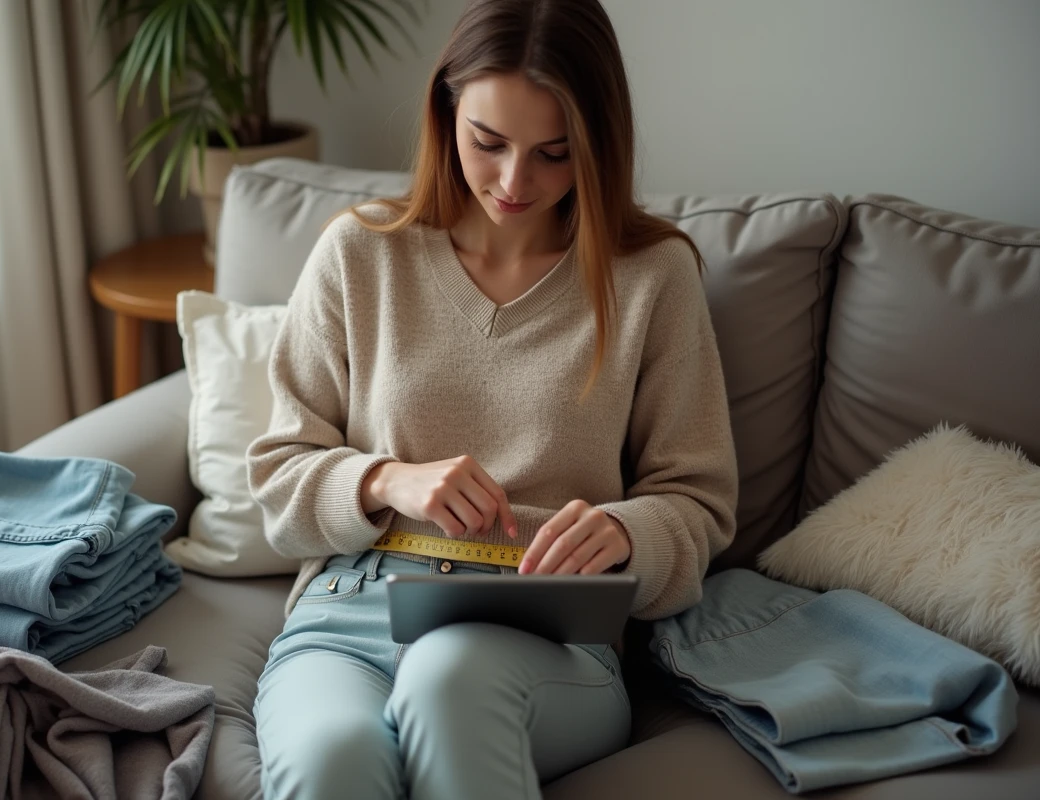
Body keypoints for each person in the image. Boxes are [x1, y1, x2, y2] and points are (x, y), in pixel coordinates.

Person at [246, 0, 738, 797]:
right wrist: (383, 481)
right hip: (351, 614)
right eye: (489, 143)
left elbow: (700, 503)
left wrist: (621, 532)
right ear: (447, 113)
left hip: (542, 637)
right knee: (332, 762)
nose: (515, 181)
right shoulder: (360, 252)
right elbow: (274, 477)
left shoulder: (652, 277)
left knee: (448, 681)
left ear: (597, 144)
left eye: (554, 152)